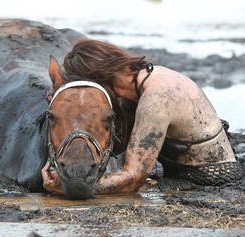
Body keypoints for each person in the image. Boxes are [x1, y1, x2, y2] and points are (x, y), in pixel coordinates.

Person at [42, 39, 241, 194]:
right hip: (187, 170)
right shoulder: (146, 78)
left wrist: (73, 186)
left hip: (206, 180)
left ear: (100, 78)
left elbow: (134, 178)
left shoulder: (156, 100)